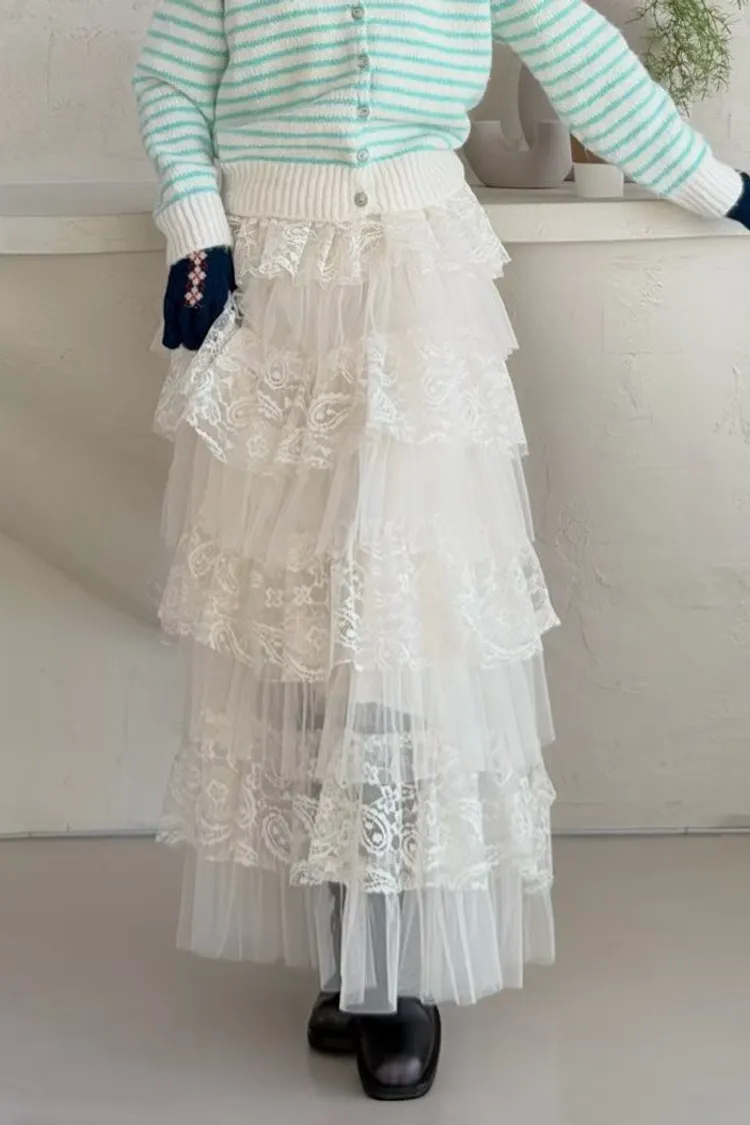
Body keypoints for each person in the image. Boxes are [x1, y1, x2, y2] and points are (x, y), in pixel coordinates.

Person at [134, 0, 750, 1102]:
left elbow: (581, 57)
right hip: (271, 290)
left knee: (397, 634)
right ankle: (350, 952)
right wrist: (197, 230)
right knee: (306, 635)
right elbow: (172, 82)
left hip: (416, 293)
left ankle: (394, 970)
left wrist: (716, 185)